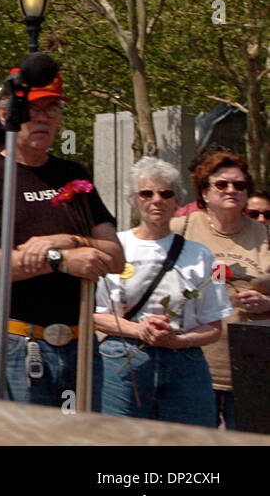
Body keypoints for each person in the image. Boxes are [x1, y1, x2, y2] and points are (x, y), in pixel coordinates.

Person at [0, 71, 124, 407]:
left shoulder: (73, 175)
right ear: (6, 115)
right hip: (15, 344)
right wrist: (60, 262)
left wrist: (65, 241)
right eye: (34, 110)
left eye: (52, 109)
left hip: (79, 346)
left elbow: (115, 257)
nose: (44, 118)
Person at [95, 157, 231, 426]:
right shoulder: (112, 247)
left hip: (185, 362)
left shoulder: (204, 255)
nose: (156, 199)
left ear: (176, 201)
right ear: (134, 200)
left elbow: (215, 325)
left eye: (165, 193)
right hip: (123, 358)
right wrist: (138, 330)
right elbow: (92, 315)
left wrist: (178, 341)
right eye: (147, 193)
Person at [170, 150, 270, 430]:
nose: (231, 190)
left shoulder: (264, 233)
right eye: (222, 184)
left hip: (252, 363)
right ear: (204, 192)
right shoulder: (182, 228)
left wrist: (267, 302)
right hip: (192, 359)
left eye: (239, 185)